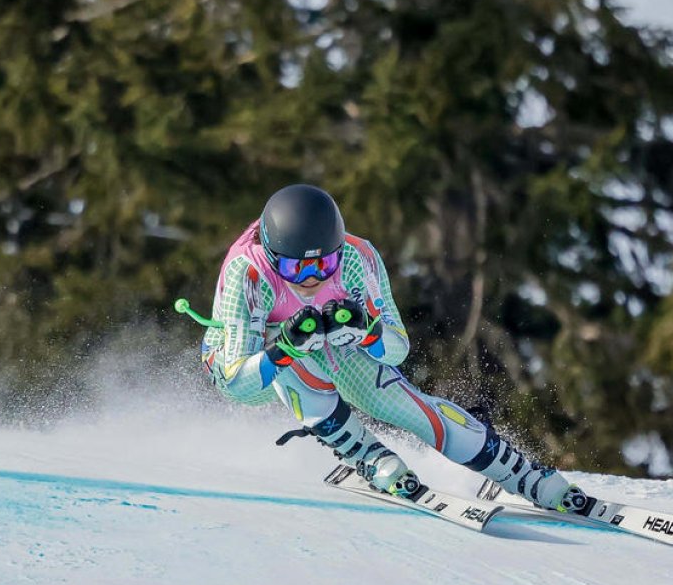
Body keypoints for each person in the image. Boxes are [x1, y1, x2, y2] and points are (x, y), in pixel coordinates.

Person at [198, 183, 588, 512]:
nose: (312, 279)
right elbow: (239, 387)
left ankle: (522, 474)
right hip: (247, 362)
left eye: (324, 264)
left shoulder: (356, 257)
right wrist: (285, 347)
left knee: (401, 402)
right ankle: (369, 456)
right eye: (295, 269)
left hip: (330, 345)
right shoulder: (247, 274)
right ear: (270, 256)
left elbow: (396, 348)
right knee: (291, 361)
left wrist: (366, 332)